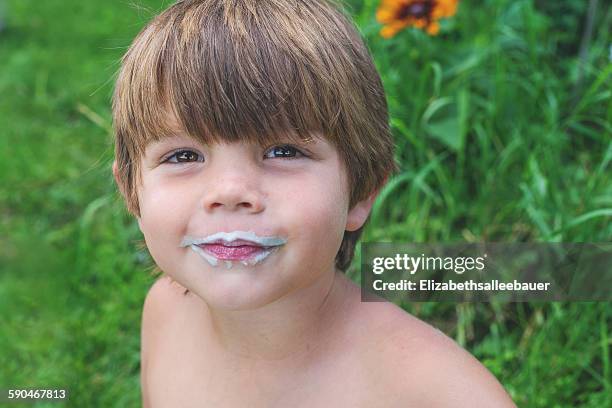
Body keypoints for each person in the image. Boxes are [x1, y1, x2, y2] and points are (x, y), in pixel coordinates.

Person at [111, 0, 516, 406]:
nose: (229, 191)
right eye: (183, 156)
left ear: (361, 193)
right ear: (132, 191)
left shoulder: (440, 394)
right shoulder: (165, 312)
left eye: (283, 152)